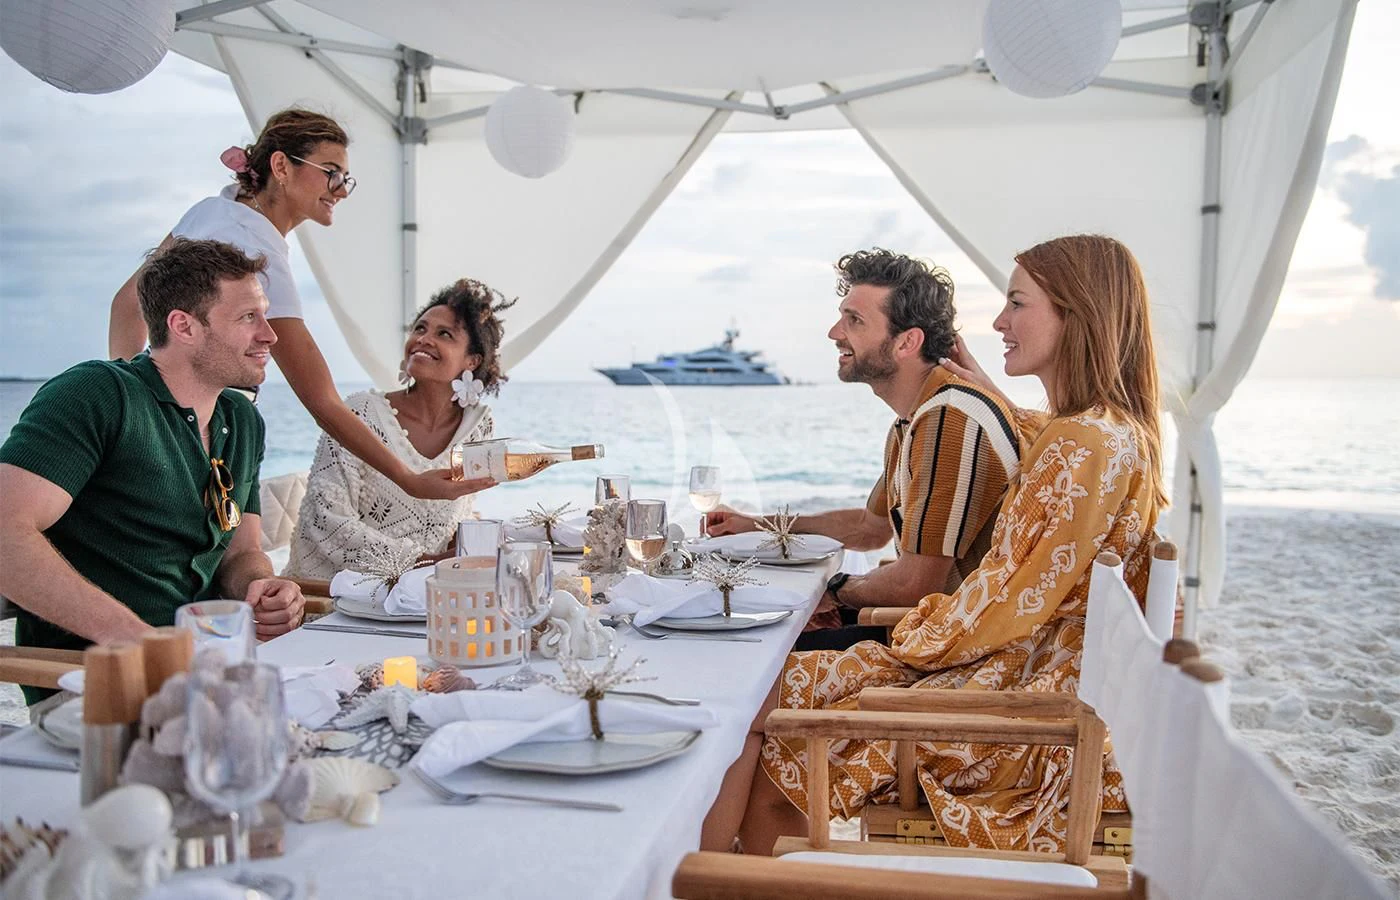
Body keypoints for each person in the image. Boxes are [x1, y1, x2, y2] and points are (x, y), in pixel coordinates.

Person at [702, 234, 1167, 856]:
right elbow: (1034, 480)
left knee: (748, 696)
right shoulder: (1106, 431)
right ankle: (720, 870)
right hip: (1045, 676)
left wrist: (863, 620)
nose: (999, 321)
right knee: (768, 682)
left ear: (1077, 314)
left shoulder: (1071, 442)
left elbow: (992, 606)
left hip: (1021, 701)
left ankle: (706, 876)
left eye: (1017, 303)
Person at [107, 108, 489, 503]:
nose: (340, 189)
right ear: (281, 166)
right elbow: (321, 400)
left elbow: (125, 304)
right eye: (331, 172)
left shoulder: (210, 210)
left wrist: (137, 405)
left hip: (173, 427)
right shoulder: (260, 255)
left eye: (345, 179)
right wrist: (410, 480)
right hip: (211, 438)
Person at [0, 239, 306, 705]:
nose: (270, 334)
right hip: (98, 685)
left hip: (206, 675)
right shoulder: (98, 394)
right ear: (183, 326)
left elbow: (240, 552)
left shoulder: (243, 421)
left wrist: (260, 587)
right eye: (248, 318)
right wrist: (142, 642)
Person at [706, 249, 1019, 650]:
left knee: (744, 652)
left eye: (854, 321)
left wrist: (836, 592)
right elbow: (869, 530)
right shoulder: (914, 419)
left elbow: (915, 584)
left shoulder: (950, 419)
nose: (835, 332)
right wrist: (754, 524)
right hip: (935, 626)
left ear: (907, 342)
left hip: (958, 645)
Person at [286, 279, 515, 579]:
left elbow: (457, 513)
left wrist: (465, 543)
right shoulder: (360, 413)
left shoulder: (478, 425)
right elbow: (325, 520)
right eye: (420, 329)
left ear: (472, 360)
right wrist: (425, 562)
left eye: (443, 334)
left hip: (422, 594)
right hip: (334, 598)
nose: (423, 339)